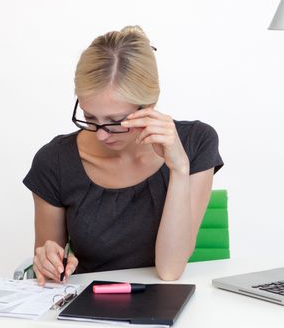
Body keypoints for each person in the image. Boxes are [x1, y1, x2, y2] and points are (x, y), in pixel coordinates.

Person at [23, 25, 223, 285]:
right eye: (89, 117)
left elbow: (170, 270)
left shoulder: (196, 142)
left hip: (169, 303)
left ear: (149, 105)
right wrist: (49, 261)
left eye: (116, 121)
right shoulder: (54, 161)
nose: (101, 135)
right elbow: (51, 274)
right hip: (91, 306)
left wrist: (179, 168)